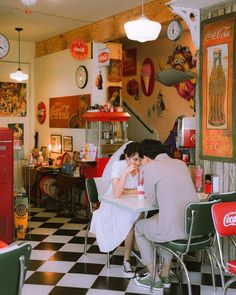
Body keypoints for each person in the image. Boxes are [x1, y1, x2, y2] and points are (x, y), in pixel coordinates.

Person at [134, 139, 199, 292]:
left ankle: (154, 278)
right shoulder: (180, 164)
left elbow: (153, 202)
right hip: (194, 227)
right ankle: (165, 274)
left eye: (141, 160)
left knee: (139, 227)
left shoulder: (151, 168)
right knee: (166, 220)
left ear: (146, 158)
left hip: (173, 228)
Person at [90, 141, 142, 278]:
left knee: (140, 216)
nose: (137, 162)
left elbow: (143, 190)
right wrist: (125, 173)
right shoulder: (117, 166)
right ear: (126, 157)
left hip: (132, 203)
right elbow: (117, 194)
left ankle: (141, 252)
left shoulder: (141, 167)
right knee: (129, 221)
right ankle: (127, 260)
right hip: (111, 204)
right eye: (134, 159)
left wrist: (128, 191)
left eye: (139, 159)